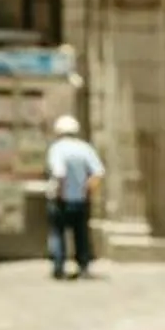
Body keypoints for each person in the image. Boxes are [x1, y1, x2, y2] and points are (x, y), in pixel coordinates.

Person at [45, 112, 105, 282]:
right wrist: (86, 191)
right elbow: (98, 173)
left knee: (58, 233)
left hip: (61, 199)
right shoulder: (85, 148)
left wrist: (61, 193)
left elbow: (59, 173)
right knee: (81, 235)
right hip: (80, 199)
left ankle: (59, 267)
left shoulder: (57, 148)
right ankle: (83, 266)